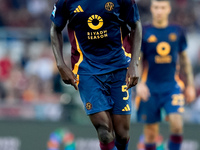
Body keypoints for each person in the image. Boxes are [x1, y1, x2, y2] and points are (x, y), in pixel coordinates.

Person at [50, 0, 142, 150]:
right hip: (87, 70)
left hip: (119, 67)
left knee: (122, 134)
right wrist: (61, 65)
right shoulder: (66, 2)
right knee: (105, 133)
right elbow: (55, 28)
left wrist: (134, 64)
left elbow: (136, 25)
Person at [136, 0, 196, 150]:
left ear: (168, 9)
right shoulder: (145, 31)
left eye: (162, 7)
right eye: (156, 7)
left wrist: (190, 86)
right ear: (152, 9)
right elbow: (138, 60)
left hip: (171, 86)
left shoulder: (177, 31)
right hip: (150, 87)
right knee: (150, 132)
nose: (159, 11)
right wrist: (139, 84)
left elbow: (184, 59)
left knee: (177, 124)